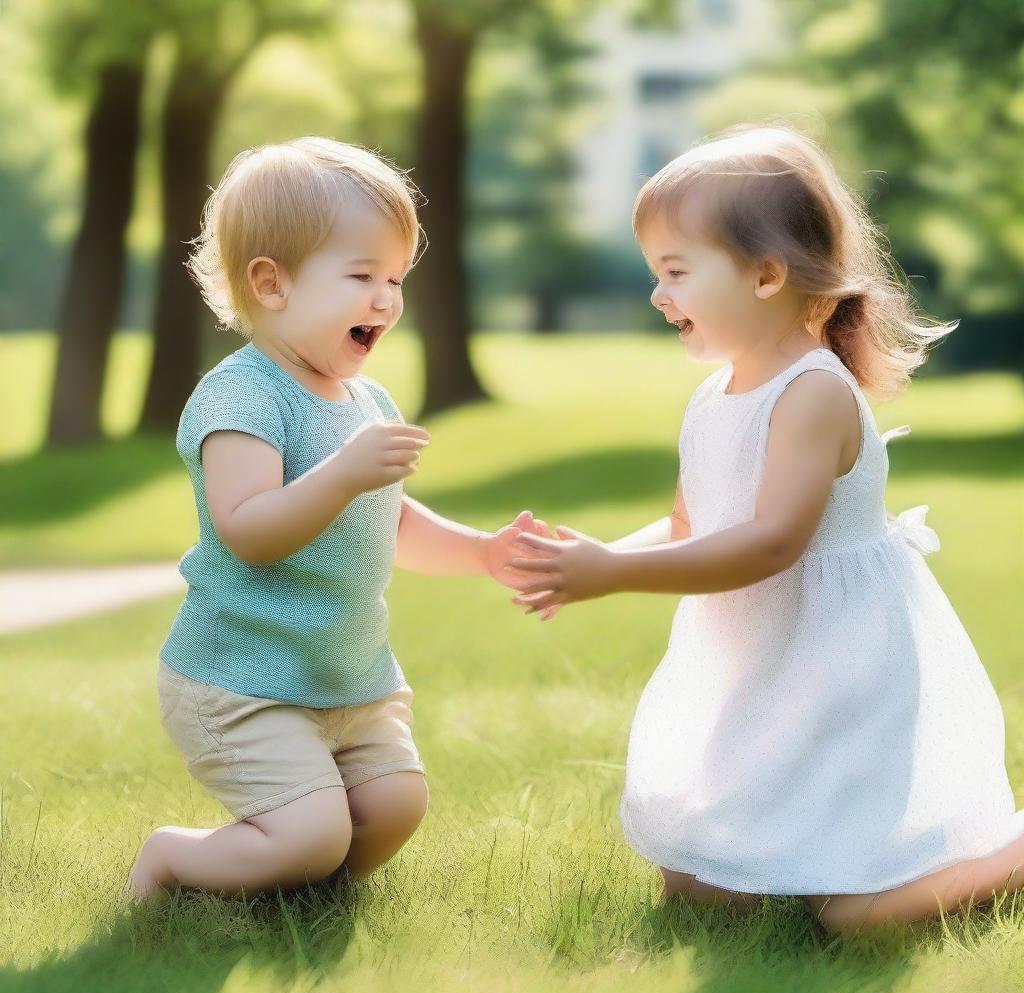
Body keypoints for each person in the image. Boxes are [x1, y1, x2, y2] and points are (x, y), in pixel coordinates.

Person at [507, 123, 1024, 933]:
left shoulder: (813, 393)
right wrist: (587, 562)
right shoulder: (715, 396)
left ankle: (1009, 852)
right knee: (705, 892)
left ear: (766, 274)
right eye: (655, 273)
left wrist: (613, 572)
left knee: (857, 916)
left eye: (676, 272)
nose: (657, 296)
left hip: (840, 662)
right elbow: (690, 525)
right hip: (760, 661)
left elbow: (772, 542)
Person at [127, 137, 543, 901]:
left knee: (393, 806)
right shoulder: (240, 400)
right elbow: (249, 531)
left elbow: (394, 517)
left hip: (347, 681)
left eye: (395, 278)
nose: (387, 299)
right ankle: (173, 861)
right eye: (362, 276)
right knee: (314, 834)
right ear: (272, 283)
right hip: (243, 682)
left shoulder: (367, 401)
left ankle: (287, 899)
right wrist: (343, 474)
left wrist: (483, 552)